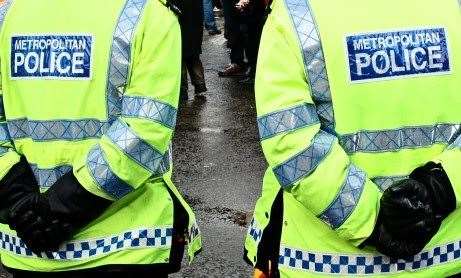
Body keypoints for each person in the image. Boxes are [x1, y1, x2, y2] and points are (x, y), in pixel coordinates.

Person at [245, 0, 461, 277]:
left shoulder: (297, 14)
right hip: (444, 253)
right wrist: (439, 188)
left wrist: (372, 222)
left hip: (326, 260)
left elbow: (291, 141)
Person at [0, 0, 202, 277]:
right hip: (125, 243)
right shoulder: (147, 14)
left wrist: (18, 201)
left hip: (26, 243)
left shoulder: (7, 16)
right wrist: (61, 207)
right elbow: (144, 130)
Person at [180, 0, 208, 100]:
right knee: (193, 54)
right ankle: (200, 85)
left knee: (180, 56)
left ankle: (182, 90)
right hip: (194, 17)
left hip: (180, 17)